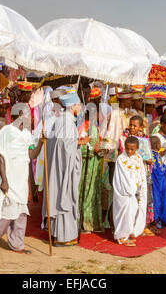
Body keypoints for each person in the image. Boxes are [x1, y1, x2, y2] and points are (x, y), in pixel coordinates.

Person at [0, 106, 44, 254]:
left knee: (21, 213)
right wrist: (4, 180)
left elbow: (31, 155)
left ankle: (17, 244)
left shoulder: (27, 134)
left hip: (21, 180)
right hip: (9, 178)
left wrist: (41, 142)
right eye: (27, 115)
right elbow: (0, 156)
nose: (30, 118)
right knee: (8, 212)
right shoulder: (7, 132)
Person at [41, 92, 88, 247]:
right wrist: (80, 143)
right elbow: (67, 149)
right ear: (72, 106)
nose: (80, 107)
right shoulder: (67, 123)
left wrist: (76, 142)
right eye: (78, 104)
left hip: (58, 168)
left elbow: (60, 145)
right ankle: (63, 237)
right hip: (64, 170)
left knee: (59, 195)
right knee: (64, 197)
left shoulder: (60, 121)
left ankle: (57, 234)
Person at [112, 136, 147, 246]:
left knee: (133, 212)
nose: (129, 151)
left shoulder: (138, 158)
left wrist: (141, 188)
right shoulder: (121, 159)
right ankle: (122, 237)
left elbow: (142, 174)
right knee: (124, 214)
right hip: (124, 193)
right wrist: (130, 190)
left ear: (137, 148)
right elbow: (122, 177)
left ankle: (130, 231)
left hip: (134, 192)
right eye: (127, 149)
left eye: (132, 149)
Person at [78, 93, 103, 234]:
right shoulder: (84, 128)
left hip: (94, 166)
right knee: (84, 193)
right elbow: (80, 148)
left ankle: (90, 222)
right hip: (86, 166)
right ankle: (83, 223)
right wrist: (94, 150)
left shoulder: (94, 127)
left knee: (91, 193)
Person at [150, 135, 166, 229]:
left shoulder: (153, 154)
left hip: (159, 182)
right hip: (158, 183)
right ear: (157, 145)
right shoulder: (154, 155)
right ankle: (156, 220)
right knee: (157, 201)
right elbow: (158, 169)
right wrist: (165, 168)